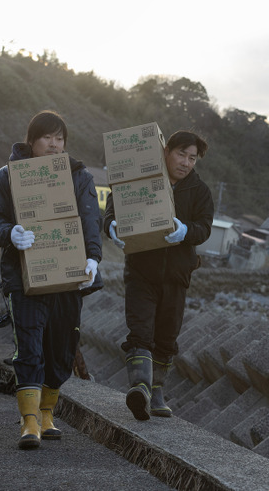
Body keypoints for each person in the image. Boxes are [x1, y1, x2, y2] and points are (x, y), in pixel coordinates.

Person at [0, 111, 101, 449]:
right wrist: (11, 233)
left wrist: (93, 258)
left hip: (68, 277)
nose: (54, 144)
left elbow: (89, 220)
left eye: (60, 138)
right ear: (31, 140)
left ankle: (48, 413)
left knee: (61, 348)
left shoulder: (78, 176)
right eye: (47, 137)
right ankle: (30, 421)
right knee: (30, 347)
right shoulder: (5, 177)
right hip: (24, 279)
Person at [103, 130, 214, 420]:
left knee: (166, 336)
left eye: (192, 158)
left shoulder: (199, 191)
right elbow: (114, 207)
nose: (186, 163)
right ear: (165, 151)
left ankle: (157, 390)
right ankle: (140, 387)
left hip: (177, 276)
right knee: (140, 331)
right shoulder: (141, 181)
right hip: (141, 271)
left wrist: (186, 230)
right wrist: (112, 225)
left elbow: (205, 227)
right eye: (181, 154)